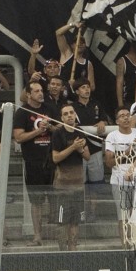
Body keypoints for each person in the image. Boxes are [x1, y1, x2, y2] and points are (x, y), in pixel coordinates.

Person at [12, 81, 56, 246]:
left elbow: (60, 129)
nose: (40, 93)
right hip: (33, 161)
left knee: (56, 197)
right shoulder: (22, 112)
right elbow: (18, 137)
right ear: (28, 94)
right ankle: (37, 235)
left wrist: (50, 127)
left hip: (52, 159)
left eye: (41, 90)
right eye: (36, 91)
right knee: (36, 201)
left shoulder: (50, 108)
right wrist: (39, 131)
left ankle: (58, 233)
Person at [51, 102, 89, 251]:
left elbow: (87, 156)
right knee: (62, 222)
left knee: (75, 222)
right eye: (66, 114)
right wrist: (72, 147)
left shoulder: (80, 132)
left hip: (78, 185)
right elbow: (55, 158)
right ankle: (62, 252)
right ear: (62, 117)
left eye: (71, 113)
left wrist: (79, 149)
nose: (69, 116)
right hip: (63, 186)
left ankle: (73, 250)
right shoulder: (58, 133)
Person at [104, 107, 136, 247]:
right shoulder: (112, 136)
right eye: (122, 116)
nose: (126, 118)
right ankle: (125, 245)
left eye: (128, 115)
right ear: (117, 121)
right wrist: (128, 151)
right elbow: (109, 162)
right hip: (120, 182)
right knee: (124, 216)